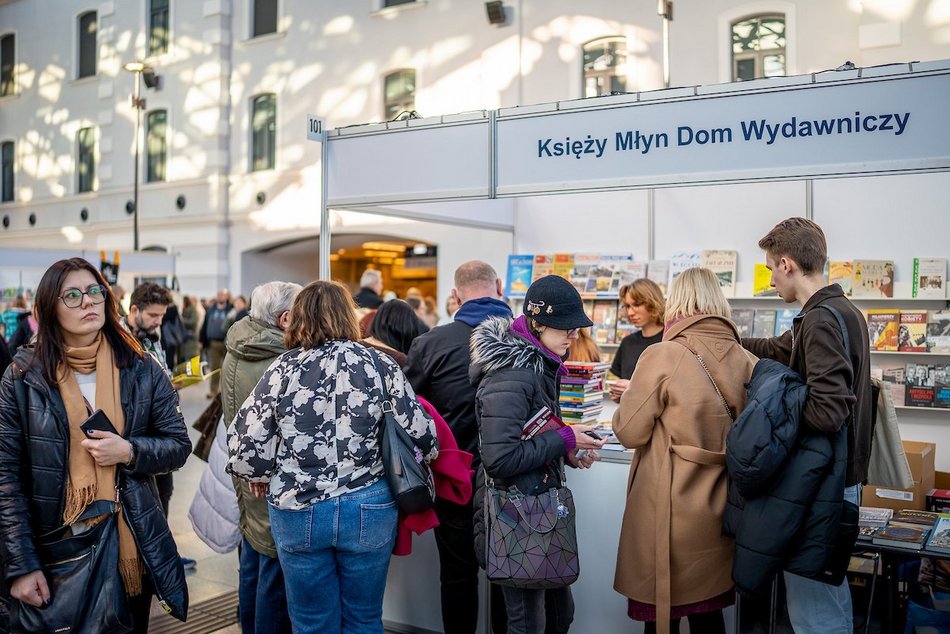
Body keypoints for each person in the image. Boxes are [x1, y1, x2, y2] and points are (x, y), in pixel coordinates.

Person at [227, 280, 438, 634]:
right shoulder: (380, 365)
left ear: (298, 319)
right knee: (364, 619)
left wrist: (261, 474)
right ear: (347, 316)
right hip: (368, 506)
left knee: (311, 622)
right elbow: (424, 437)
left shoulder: (282, 369)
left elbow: (246, 446)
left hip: (298, 508)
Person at [0, 257, 191, 631]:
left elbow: (178, 444)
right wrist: (21, 565)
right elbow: (6, 478)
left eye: (94, 291)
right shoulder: (22, 379)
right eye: (72, 295)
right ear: (49, 309)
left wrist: (130, 451)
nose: (88, 302)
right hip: (55, 550)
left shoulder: (141, 367)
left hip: (129, 546)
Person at [740, 217, 871, 633]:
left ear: (786, 264)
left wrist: (780, 405)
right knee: (827, 597)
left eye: (769, 269)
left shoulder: (819, 320)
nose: (771, 279)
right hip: (839, 479)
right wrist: (723, 337)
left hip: (822, 485)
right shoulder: (840, 310)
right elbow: (776, 349)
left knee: (814, 611)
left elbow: (828, 410)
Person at [612, 268, 756, 634]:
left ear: (676, 301)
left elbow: (629, 432)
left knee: (664, 611)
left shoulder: (663, 354)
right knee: (710, 614)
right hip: (724, 508)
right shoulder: (746, 359)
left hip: (668, 508)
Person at [470, 274, 606, 634]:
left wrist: (568, 451)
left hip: (535, 512)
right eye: (566, 328)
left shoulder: (536, 364)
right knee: (528, 621)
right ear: (538, 323)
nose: (574, 335)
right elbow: (499, 459)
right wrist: (563, 440)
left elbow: (530, 436)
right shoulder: (513, 374)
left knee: (559, 615)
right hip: (516, 515)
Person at [403, 260, 515, 634]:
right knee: (510, 578)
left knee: (457, 576)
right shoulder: (525, 339)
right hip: (513, 477)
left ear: (455, 295)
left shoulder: (431, 343)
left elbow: (409, 411)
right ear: (499, 286)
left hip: (455, 479)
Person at [221, 281, 301, 634]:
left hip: (248, 472)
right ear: (285, 319)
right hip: (268, 478)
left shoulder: (240, 342)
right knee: (272, 570)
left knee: (253, 557)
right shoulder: (279, 360)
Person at [608, 278, 665, 403]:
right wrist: (618, 394)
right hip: (629, 418)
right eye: (627, 306)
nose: (630, 312)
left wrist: (634, 390)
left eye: (637, 305)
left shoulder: (671, 341)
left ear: (653, 303)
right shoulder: (627, 342)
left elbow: (674, 391)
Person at [363, 299, 429, 367]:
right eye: (422, 308)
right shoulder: (400, 361)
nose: (423, 312)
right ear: (407, 328)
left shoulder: (357, 345)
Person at [200, 288, 232, 398]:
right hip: (213, 343)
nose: (220, 296)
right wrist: (202, 340)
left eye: (223, 294)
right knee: (214, 369)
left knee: (228, 369)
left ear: (227, 296)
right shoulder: (211, 310)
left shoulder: (231, 309)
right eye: (219, 294)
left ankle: (225, 393)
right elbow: (204, 326)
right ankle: (213, 391)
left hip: (227, 343)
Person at [179, 295, 200, 363]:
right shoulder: (186, 309)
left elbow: (193, 322)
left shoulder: (192, 310)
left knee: (190, 358)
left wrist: (182, 320)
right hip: (185, 338)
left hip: (190, 338)